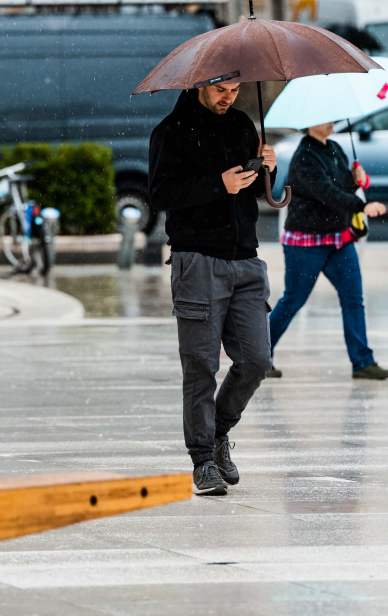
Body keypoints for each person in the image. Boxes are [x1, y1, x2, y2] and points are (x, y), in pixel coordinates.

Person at [148, 80, 277, 496]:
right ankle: (202, 459)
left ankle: (219, 433)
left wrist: (268, 167)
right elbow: (160, 194)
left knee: (257, 360)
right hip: (197, 260)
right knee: (201, 365)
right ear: (201, 84)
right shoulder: (170, 132)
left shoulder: (241, 125)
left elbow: (258, 191)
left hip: (246, 259)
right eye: (221, 89)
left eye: (235, 89)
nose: (229, 97)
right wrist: (218, 184)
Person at [267, 121, 388, 381]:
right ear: (311, 123)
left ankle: (363, 362)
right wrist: (361, 207)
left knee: (353, 299)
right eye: (326, 119)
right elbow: (327, 193)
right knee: (292, 300)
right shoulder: (304, 157)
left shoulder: (334, 148)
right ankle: (259, 358)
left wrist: (358, 179)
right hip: (306, 243)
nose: (332, 123)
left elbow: (343, 187)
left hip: (338, 239)